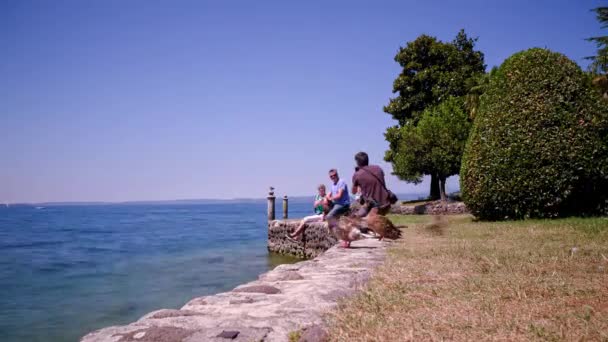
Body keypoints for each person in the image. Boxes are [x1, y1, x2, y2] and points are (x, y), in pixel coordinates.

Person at [352, 151, 392, 217]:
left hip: (374, 207)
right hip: (387, 204)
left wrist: (356, 176)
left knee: (355, 218)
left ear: (357, 162)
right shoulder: (378, 168)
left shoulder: (357, 174)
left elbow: (353, 192)